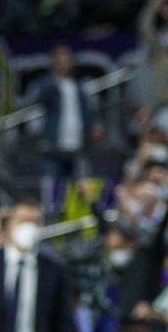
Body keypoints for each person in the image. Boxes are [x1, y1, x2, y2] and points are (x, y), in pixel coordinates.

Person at [0, 200, 76, 332]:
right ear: (9, 225)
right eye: (23, 220)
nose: (29, 227)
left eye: (35, 222)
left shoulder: (54, 270)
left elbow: (64, 321)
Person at [34, 44, 103, 217]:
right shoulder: (47, 84)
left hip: (78, 147)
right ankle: (52, 228)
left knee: (84, 191)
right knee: (53, 196)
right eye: (60, 60)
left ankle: (86, 229)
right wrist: (54, 78)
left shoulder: (80, 86)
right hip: (53, 149)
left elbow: (88, 111)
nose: (65, 63)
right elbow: (39, 100)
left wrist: (94, 125)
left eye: (67, 59)